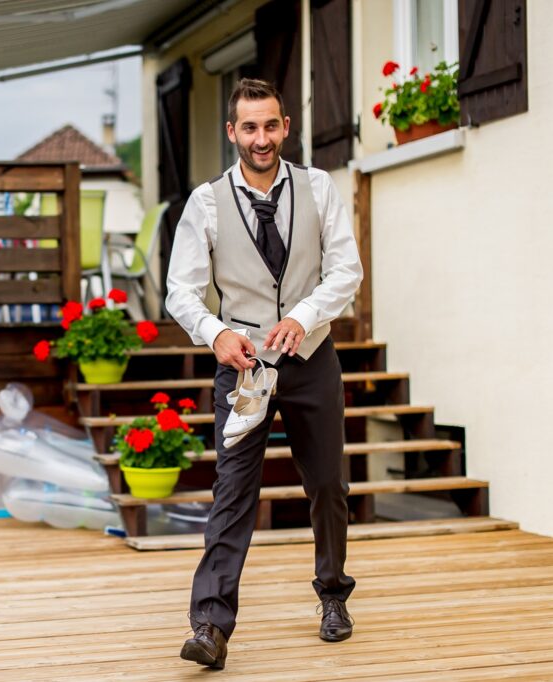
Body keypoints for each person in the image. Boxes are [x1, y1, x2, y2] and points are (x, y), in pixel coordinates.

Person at [165, 78, 363, 670]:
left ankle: (333, 596)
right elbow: (181, 289)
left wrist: (303, 317)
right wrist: (217, 333)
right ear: (233, 132)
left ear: (284, 127)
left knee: (328, 484)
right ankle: (210, 625)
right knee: (233, 492)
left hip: (311, 358)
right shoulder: (205, 202)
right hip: (243, 368)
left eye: (271, 125)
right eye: (249, 127)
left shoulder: (320, 188)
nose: (261, 138)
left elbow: (346, 271)